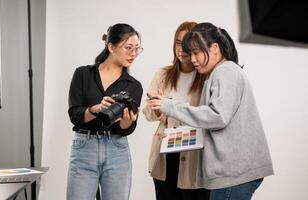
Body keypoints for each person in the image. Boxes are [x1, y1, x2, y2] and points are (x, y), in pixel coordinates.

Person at [147, 22, 274, 200]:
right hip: (229, 172)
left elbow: (216, 117)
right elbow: (212, 121)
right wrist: (173, 137)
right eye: (190, 53)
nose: (192, 59)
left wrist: (168, 105)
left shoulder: (225, 72)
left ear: (214, 48)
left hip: (232, 173)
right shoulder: (220, 72)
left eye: (196, 52)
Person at [67, 23, 143, 200]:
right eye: (128, 48)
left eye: (137, 49)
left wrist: (126, 123)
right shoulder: (83, 74)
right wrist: (96, 109)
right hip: (84, 148)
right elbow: (75, 116)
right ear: (111, 47)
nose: (133, 54)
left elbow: (127, 128)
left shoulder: (134, 86)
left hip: (117, 149)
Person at [142, 21, 209, 200]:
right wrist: (157, 108)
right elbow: (147, 113)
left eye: (187, 43)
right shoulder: (163, 74)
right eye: (178, 43)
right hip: (165, 154)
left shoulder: (206, 77)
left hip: (194, 157)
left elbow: (208, 116)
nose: (181, 49)